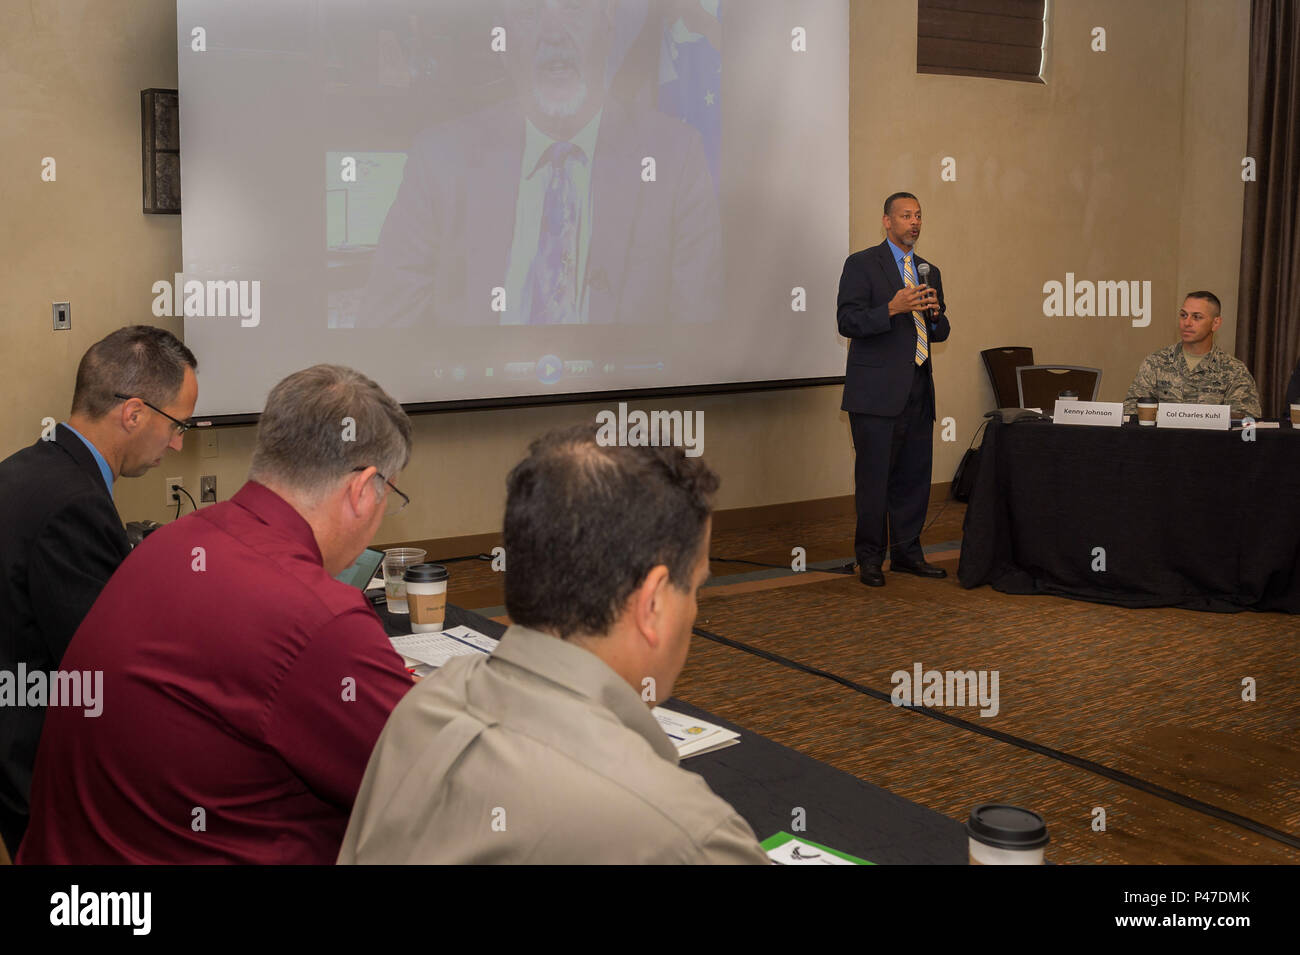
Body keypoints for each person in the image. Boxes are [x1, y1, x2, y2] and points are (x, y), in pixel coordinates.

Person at [18, 365, 415, 864]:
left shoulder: (177, 541)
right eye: (390, 497)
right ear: (363, 489)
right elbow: (431, 784)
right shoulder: (319, 616)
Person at [338, 426, 769, 864]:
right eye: (694, 588)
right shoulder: (686, 834)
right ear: (653, 603)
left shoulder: (422, 707)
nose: (694, 610)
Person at [361, 0, 718, 327]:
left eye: (574, 8)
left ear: (607, 24)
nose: (553, 33)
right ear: (503, 42)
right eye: (529, 13)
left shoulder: (677, 158)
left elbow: (697, 343)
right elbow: (385, 335)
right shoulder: (438, 158)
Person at [0, 324, 197, 855]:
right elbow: (106, 675)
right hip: (45, 776)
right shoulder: (75, 504)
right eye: (177, 424)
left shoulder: (25, 468)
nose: (178, 442)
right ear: (133, 414)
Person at [837, 192, 952, 588]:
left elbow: (941, 331)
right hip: (875, 394)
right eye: (905, 216)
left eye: (918, 215)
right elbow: (847, 321)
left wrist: (935, 316)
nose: (914, 222)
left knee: (914, 477)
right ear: (887, 221)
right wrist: (891, 308)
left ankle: (907, 553)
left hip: (919, 389)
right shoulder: (862, 265)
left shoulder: (927, 270)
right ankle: (869, 558)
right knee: (874, 479)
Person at [1122, 291, 1262, 419]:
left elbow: (1245, 420)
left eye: (1197, 317)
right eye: (1183, 315)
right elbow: (1131, 410)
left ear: (1215, 323)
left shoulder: (1234, 370)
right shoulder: (1156, 362)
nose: (1187, 323)